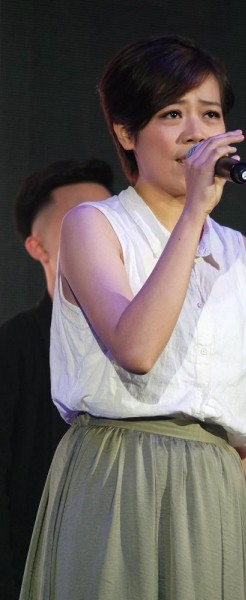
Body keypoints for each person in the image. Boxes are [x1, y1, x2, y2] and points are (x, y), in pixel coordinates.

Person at [20, 36, 246, 600]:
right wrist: (193, 214)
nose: (196, 132)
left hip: (214, 491)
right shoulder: (93, 226)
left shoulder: (244, 256)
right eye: (172, 114)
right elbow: (136, 349)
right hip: (119, 473)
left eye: (210, 114)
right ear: (125, 133)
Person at [0, 158, 114, 599]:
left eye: (110, 217)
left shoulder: (148, 336)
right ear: (38, 247)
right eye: (79, 221)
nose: (100, 232)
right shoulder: (15, 346)